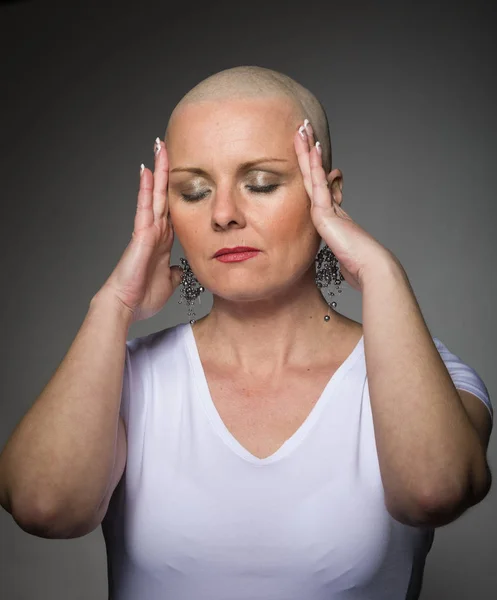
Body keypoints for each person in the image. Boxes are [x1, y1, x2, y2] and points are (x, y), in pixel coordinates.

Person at [0, 65, 492, 600]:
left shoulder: (428, 374)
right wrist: (112, 305)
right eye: (192, 191)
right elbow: (43, 507)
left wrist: (381, 272)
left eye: (260, 184)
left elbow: (434, 492)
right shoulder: (122, 378)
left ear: (327, 194)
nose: (224, 214)